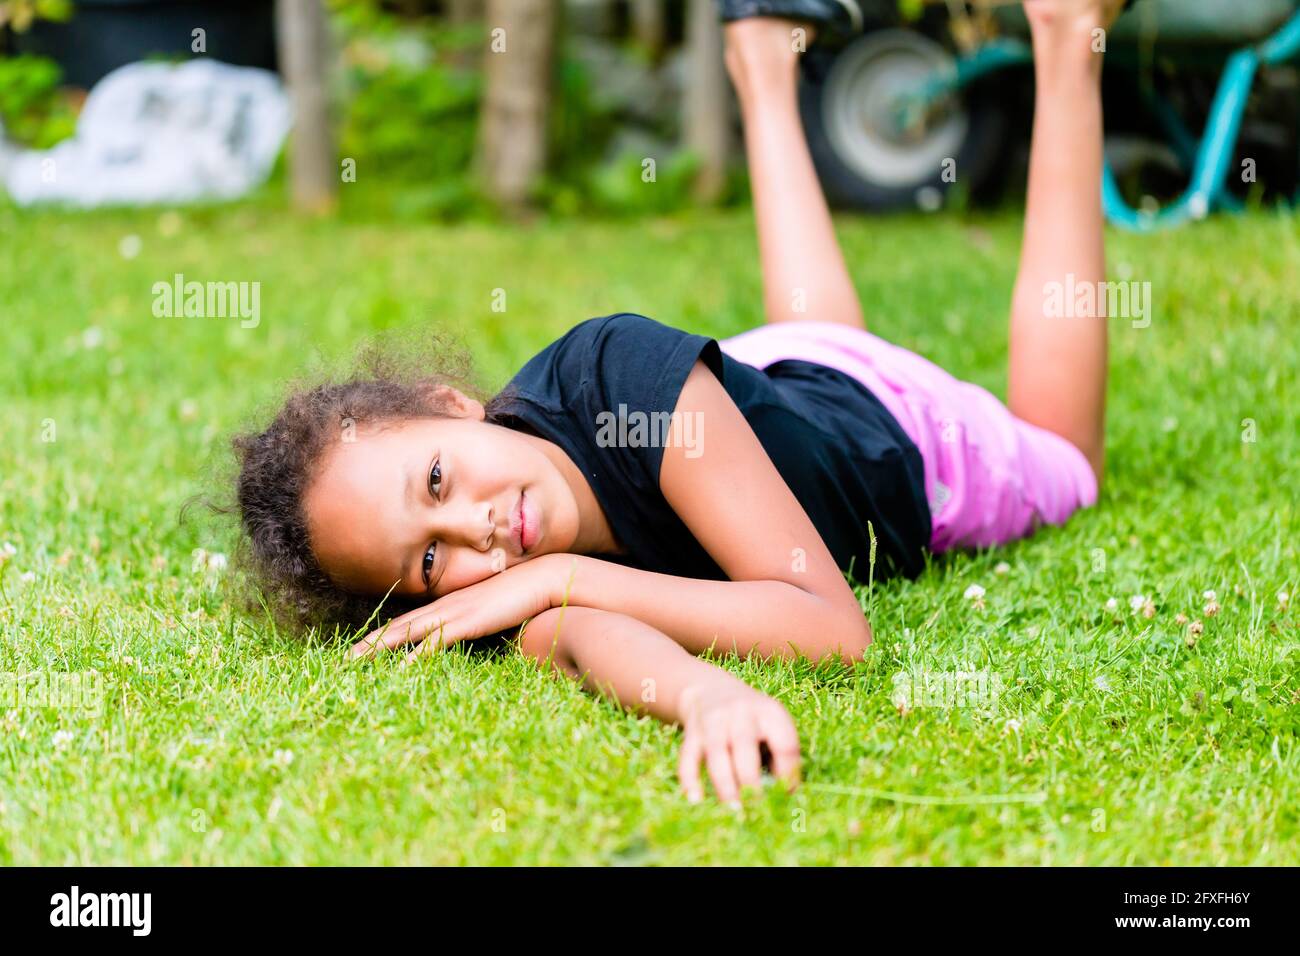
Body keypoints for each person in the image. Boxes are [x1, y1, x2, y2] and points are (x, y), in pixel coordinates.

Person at [230, 0, 1120, 805]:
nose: (477, 531)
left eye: (436, 480)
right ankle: (763, 55)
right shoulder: (497, 601)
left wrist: (556, 576)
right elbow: (597, 643)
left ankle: (1063, 37)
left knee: (1069, 464)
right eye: (427, 564)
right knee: (810, 360)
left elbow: (831, 630)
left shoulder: (613, 374)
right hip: (774, 394)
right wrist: (705, 694)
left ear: (451, 403)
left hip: (899, 433)